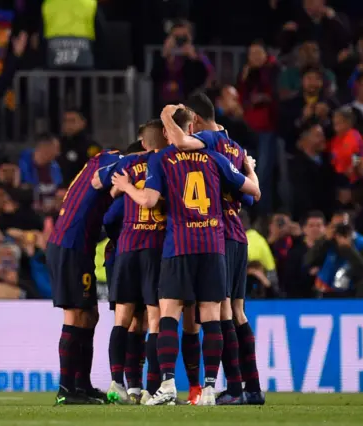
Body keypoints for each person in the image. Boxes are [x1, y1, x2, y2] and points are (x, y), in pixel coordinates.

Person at [112, 107, 260, 406]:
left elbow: (150, 200)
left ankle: (167, 385)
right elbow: (253, 192)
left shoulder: (162, 158)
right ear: (192, 129)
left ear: (168, 132)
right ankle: (207, 389)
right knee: (211, 316)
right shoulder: (216, 157)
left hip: (179, 245)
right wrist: (249, 167)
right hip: (214, 245)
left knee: (169, 313)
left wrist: (127, 186)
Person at [174, 92, 264, 404]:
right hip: (238, 234)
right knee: (238, 310)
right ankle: (253, 388)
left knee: (222, 310)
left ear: (195, 120)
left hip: (218, 235)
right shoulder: (236, 148)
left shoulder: (208, 140)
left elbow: (183, 145)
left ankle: (236, 388)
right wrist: (250, 169)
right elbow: (251, 198)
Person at [98, 120, 168, 405]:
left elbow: (109, 214)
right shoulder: (168, 165)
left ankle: (118, 383)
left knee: (122, 321)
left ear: (142, 142)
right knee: (154, 321)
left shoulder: (127, 167)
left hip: (126, 250)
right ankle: (150, 388)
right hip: (155, 249)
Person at [46, 146, 122, 405]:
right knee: (76, 314)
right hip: (70, 245)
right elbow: (101, 177)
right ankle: (65, 390)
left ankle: (82, 385)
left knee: (90, 314)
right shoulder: (115, 161)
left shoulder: (98, 160)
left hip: (78, 246)